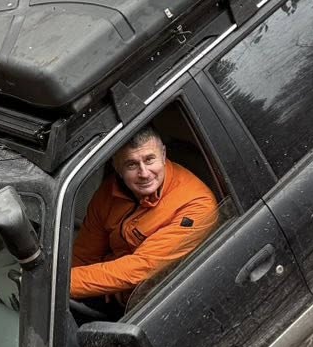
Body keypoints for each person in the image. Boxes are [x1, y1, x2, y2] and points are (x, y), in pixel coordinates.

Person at [69, 128, 218, 306]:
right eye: (131, 165)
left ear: (163, 155)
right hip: (112, 291)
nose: (144, 173)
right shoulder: (109, 192)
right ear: (117, 167)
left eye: (149, 159)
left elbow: (141, 268)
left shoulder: (196, 204)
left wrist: (57, 285)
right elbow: (84, 255)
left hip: (164, 303)